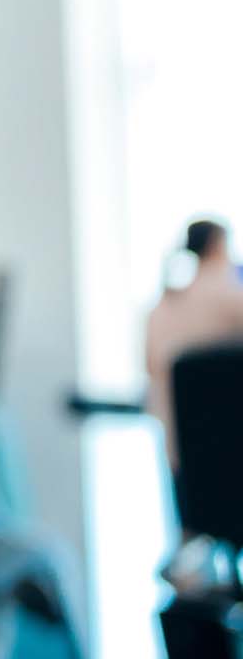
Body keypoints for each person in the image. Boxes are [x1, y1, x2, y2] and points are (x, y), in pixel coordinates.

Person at [145, 218, 243, 513]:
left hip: (183, 465)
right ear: (218, 246)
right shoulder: (232, 299)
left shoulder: (161, 309)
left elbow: (150, 369)